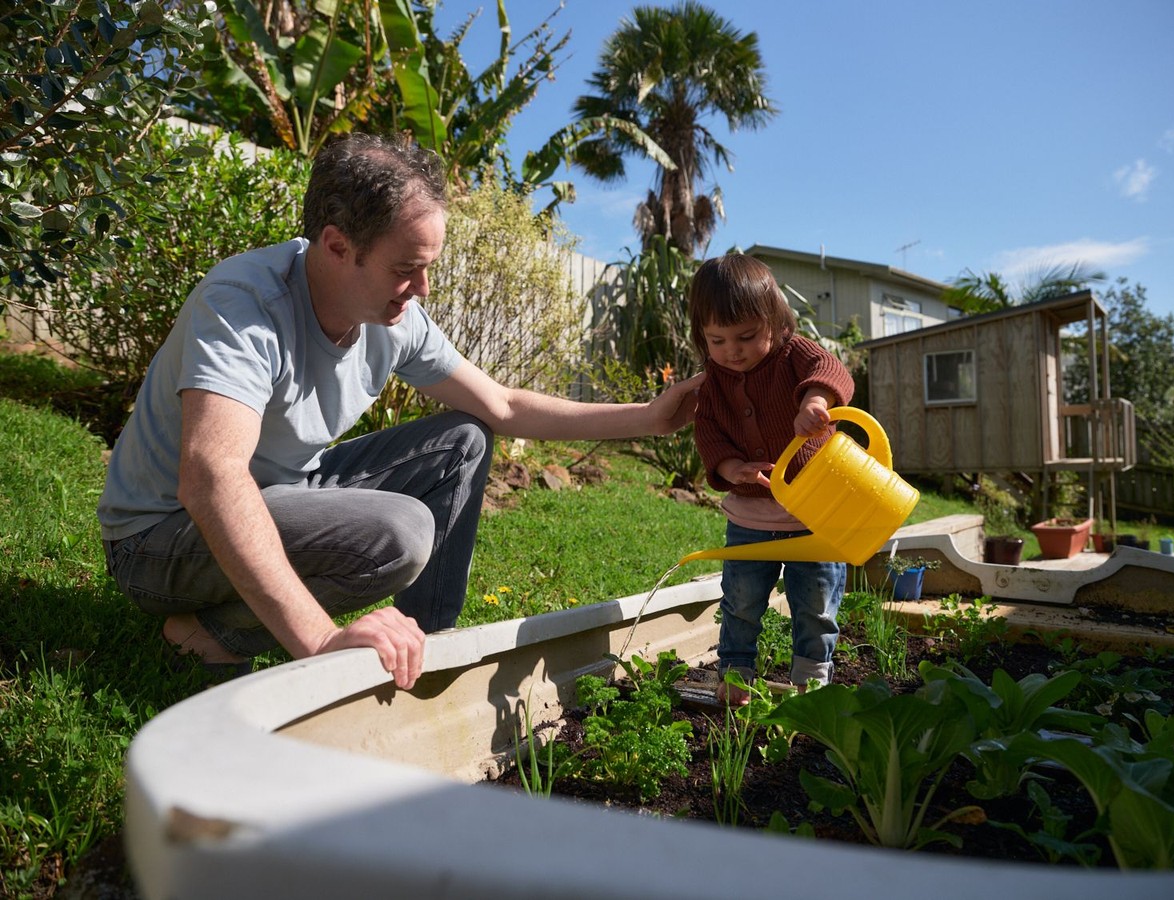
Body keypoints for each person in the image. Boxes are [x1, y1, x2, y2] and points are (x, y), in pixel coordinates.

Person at [98, 133, 703, 689]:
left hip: (280, 491)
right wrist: (320, 640)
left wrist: (651, 416)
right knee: (400, 535)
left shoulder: (393, 320)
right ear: (337, 246)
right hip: (158, 540)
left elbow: (504, 407)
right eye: (405, 268)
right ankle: (212, 633)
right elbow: (211, 476)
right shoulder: (246, 304)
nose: (422, 289)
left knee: (464, 439)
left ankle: (423, 647)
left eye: (428, 267)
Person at [688, 254, 854, 705]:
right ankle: (736, 674)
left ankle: (811, 677)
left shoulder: (793, 354)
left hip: (813, 512)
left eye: (746, 336)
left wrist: (815, 402)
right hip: (751, 516)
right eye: (717, 340)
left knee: (816, 601)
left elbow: (832, 371)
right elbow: (710, 436)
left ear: (777, 323)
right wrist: (730, 468)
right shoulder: (714, 383)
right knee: (740, 601)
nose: (732, 351)